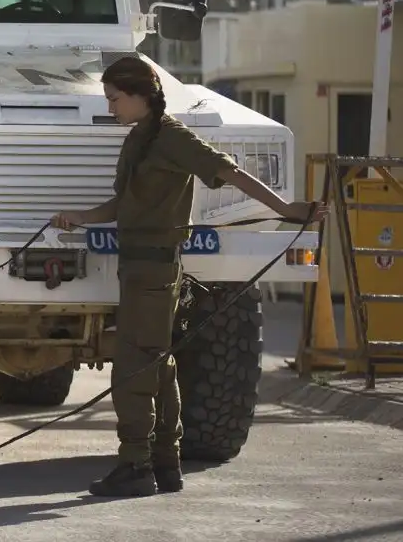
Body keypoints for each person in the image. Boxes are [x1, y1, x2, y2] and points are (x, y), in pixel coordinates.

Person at [50, 55, 326, 499]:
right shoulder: (139, 139)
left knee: (136, 366)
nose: (111, 108)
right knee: (158, 363)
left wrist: (287, 210)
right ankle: (164, 463)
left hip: (155, 268)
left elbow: (228, 172)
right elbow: (122, 205)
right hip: (138, 265)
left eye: (116, 99)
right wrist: (79, 217)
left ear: (143, 95)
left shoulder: (173, 138)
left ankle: (136, 465)